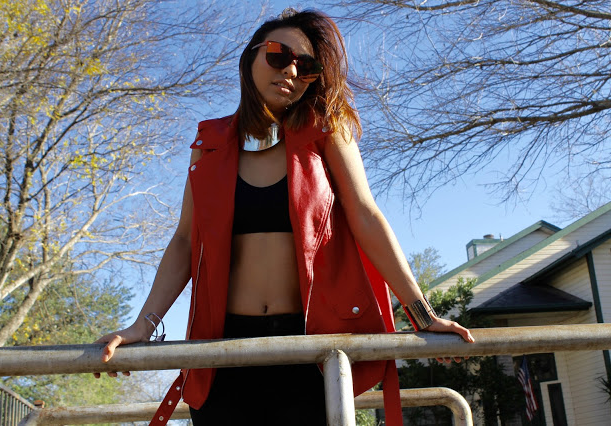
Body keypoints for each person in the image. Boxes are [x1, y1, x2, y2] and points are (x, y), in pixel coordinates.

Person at [94, 8, 474, 426]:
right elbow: (185, 240)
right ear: (250, 58)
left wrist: (423, 314)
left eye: (306, 66)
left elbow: (366, 216)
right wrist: (142, 326)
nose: (291, 70)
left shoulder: (326, 130)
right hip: (223, 354)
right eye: (278, 55)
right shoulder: (210, 141)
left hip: (311, 353)